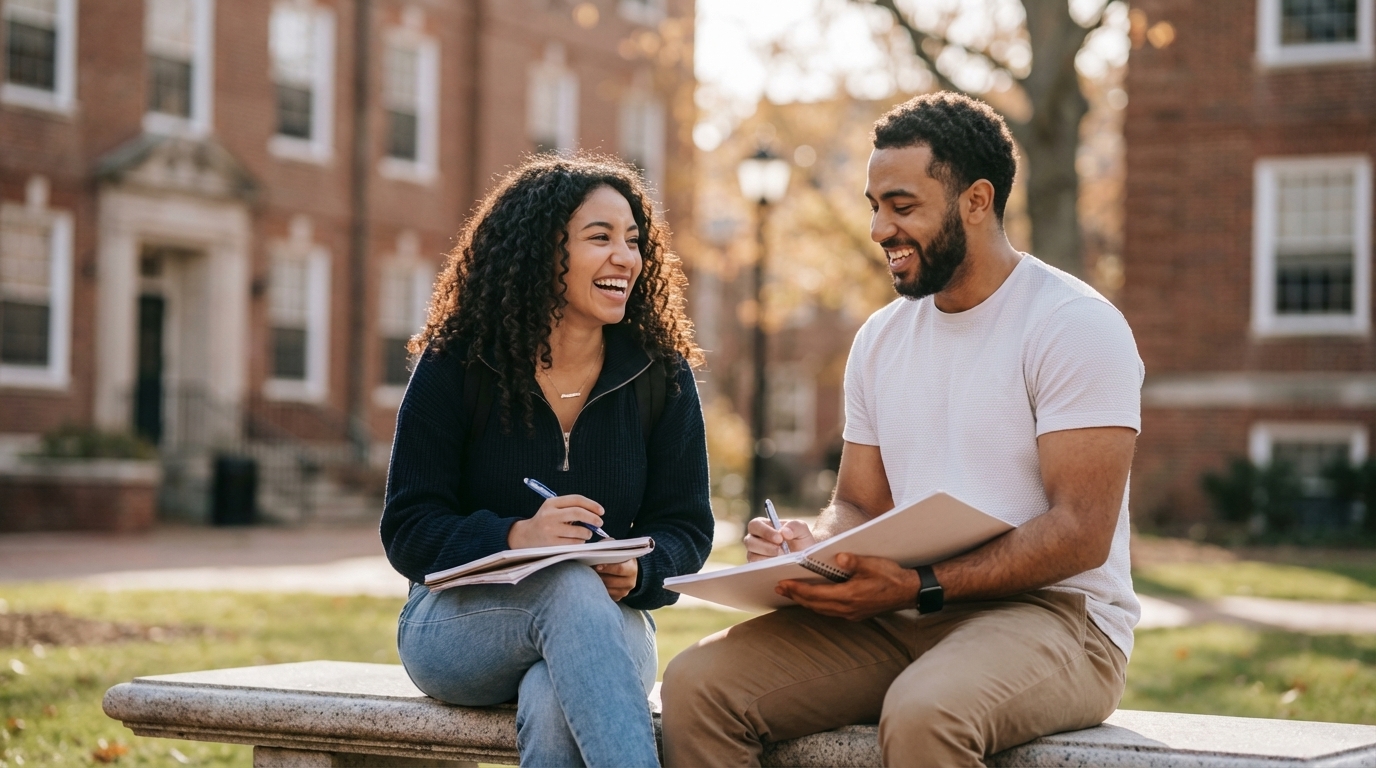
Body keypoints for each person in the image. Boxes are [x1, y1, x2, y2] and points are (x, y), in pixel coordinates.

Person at [661, 92, 1143, 767]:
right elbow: (861, 503)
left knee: (926, 714)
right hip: (903, 611)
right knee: (695, 687)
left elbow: (1080, 533)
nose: (879, 228)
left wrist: (921, 586)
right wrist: (817, 549)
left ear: (977, 201)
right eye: (874, 205)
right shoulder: (881, 339)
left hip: (1059, 619)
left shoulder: (1072, 325)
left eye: (903, 206)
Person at [381, 154, 713, 768]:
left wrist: (638, 573)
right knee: (563, 585)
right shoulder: (458, 364)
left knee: (554, 696)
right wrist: (516, 534)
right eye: (600, 238)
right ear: (540, 250)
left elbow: (687, 529)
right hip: (457, 628)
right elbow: (407, 529)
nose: (626, 258)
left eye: (634, 241)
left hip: (612, 628)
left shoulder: (659, 374)